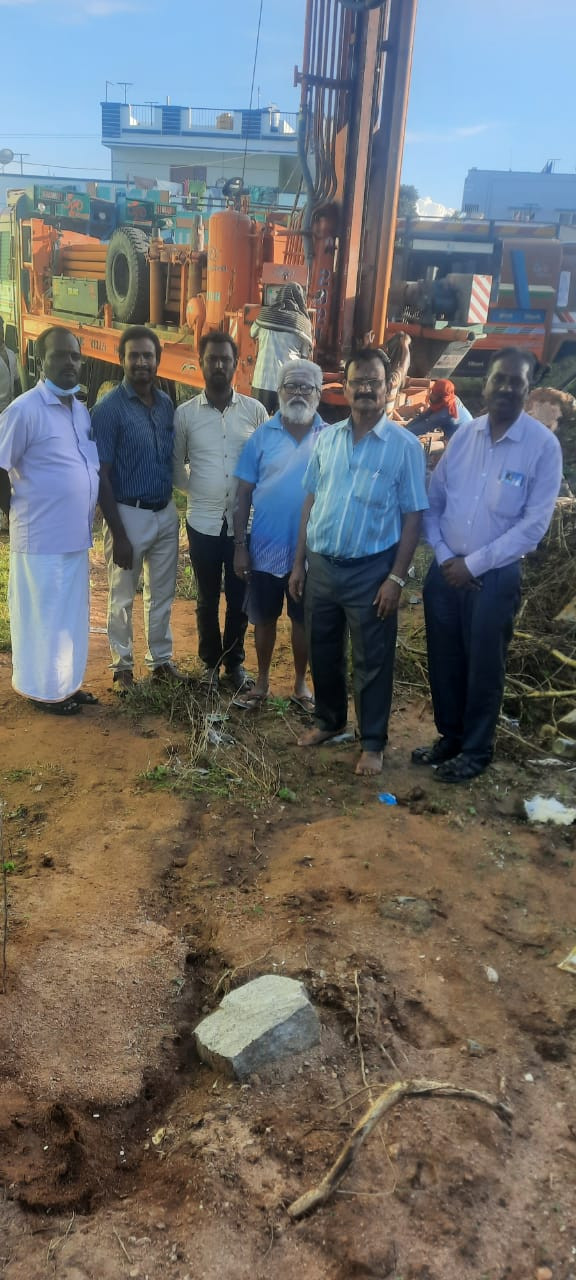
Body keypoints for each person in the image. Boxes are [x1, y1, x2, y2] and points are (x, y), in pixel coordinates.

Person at [415, 349, 563, 783]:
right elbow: (435, 500)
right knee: (444, 658)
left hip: (495, 578)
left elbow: (532, 527)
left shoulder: (542, 448)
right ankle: (451, 737)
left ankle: (476, 750)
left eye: (516, 382)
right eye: (499, 379)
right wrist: (445, 558)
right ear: (486, 384)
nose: (505, 388)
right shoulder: (464, 436)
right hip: (445, 572)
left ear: (527, 389)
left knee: (484, 664)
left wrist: (473, 565)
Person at [289, 346, 428, 776]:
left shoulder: (404, 446)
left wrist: (396, 580)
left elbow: (413, 516)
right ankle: (330, 722)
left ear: (389, 387)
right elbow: (310, 500)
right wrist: (299, 564)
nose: (366, 388)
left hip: (372, 572)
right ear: (344, 388)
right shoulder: (326, 439)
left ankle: (372, 742)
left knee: (371, 660)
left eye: (375, 381)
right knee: (323, 651)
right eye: (358, 381)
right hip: (322, 568)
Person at [0, 326, 100, 714]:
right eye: (60, 355)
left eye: (74, 356)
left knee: (69, 615)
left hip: (74, 536)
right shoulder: (24, 410)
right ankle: (42, 691)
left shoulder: (79, 410)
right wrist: (15, 515)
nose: (69, 363)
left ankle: (67, 684)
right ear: (40, 360)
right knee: (42, 615)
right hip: (40, 537)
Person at [173, 330, 267, 693]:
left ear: (236, 364)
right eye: (211, 359)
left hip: (245, 525)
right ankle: (210, 664)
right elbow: (176, 466)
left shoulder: (255, 411)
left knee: (239, 598)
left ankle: (234, 664)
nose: (218, 365)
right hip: (203, 522)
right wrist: (199, 490)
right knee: (207, 596)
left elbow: (262, 462)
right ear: (201, 363)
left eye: (225, 359)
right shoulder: (186, 416)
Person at [91, 326, 182, 690]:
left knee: (163, 592)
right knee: (122, 595)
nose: (142, 362)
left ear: (158, 361)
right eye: (135, 355)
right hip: (127, 514)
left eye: (148, 355)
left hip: (165, 513)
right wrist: (119, 532)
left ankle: (160, 661)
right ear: (122, 359)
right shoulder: (108, 409)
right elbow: (102, 474)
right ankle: (122, 668)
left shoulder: (165, 404)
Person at [233, 358, 325, 708]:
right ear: (279, 391)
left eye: (307, 387)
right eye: (292, 386)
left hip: (313, 552)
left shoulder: (330, 437)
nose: (299, 393)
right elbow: (242, 494)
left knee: (302, 621)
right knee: (264, 619)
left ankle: (301, 685)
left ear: (318, 394)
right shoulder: (262, 436)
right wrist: (241, 545)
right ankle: (263, 682)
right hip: (265, 548)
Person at [251, 283, 313, 414]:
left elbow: (252, 333)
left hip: (262, 380)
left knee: (259, 426)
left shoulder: (265, 314)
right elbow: (304, 356)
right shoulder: (302, 323)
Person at [406, 379, 472, 441]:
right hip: (467, 430)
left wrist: (403, 432)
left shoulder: (444, 414)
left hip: (465, 438)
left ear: (441, 396)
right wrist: (404, 429)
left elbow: (423, 427)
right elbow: (424, 416)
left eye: (433, 393)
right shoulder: (450, 398)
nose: (430, 395)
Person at [0, 317, 21, 416]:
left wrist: (20, 404)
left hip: (11, 409)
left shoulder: (11, 354)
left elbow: (17, 381)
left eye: (1, 327)